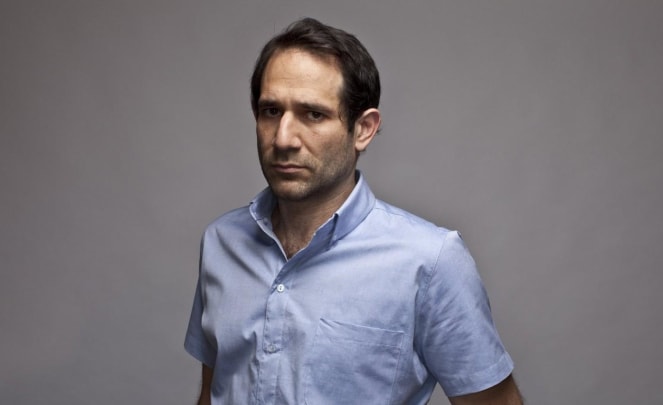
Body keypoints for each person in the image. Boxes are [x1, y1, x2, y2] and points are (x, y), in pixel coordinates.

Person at [184, 17, 523, 404]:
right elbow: (213, 392)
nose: (283, 139)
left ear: (363, 129)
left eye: (313, 114)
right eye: (271, 111)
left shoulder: (430, 262)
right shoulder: (222, 242)